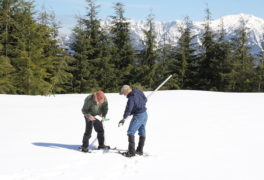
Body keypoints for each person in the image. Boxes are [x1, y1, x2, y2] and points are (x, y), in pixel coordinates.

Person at [118, 85, 148, 157]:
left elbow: (128, 109)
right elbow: (145, 99)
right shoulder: (138, 91)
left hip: (138, 116)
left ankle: (131, 152)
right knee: (142, 132)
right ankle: (140, 150)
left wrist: (124, 118)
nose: (124, 95)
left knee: (130, 132)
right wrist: (140, 105)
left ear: (126, 91)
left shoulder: (131, 98)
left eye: (124, 93)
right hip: (144, 114)